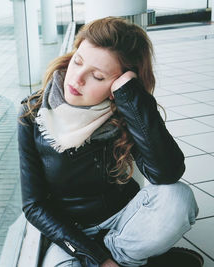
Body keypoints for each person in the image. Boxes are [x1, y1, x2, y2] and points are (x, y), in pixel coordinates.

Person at [17, 17, 203, 267]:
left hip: (124, 222)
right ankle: (136, 261)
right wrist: (97, 258)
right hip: (71, 233)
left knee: (178, 197)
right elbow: (34, 206)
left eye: (97, 76)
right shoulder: (33, 113)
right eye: (78, 61)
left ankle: (126, 257)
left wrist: (130, 96)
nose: (77, 79)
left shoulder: (124, 111)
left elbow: (166, 174)